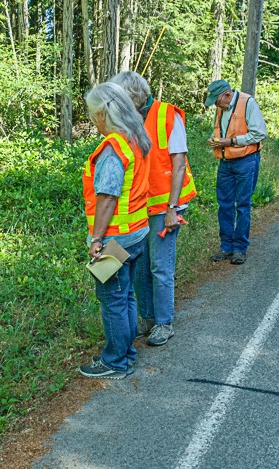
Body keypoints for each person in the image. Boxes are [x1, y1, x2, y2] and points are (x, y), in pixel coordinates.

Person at [110, 71, 197, 346]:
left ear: (133, 96)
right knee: (140, 268)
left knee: (160, 266)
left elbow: (179, 163)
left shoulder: (168, 115)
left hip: (165, 206)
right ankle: (147, 319)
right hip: (140, 207)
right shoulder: (129, 120)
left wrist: (172, 208)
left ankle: (163, 323)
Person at [79, 82, 152, 379]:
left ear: (102, 114)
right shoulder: (136, 138)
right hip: (137, 232)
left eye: (91, 114)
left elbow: (107, 197)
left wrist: (97, 239)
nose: (91, 120)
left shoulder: (113, 148)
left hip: (114, 239)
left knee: (111, 297)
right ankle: (127, 351)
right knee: (126, 294)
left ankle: (115, 361)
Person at [205, 80, 267, 265]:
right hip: (225, 161)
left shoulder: (248, 103)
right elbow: (222, 129)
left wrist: (230, 142)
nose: (216, 106)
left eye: (216, 101)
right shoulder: (221, 107)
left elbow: (259, 133)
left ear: (226, 94)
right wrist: (215, 139)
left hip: (246, 161)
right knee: (224, 205)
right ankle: (226, 247)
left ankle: (240, 248)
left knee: (242, 205)